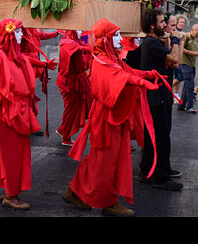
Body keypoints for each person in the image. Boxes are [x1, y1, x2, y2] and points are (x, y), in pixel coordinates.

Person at [63, 19, 162, 216]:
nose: (120, 38)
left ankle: (76, 191)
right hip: (107, 119)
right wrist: (135, 80)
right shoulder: (101, 60)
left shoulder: (111, 58)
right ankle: (106, 201)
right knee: (106, 161)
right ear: (105, 39)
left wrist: (145, 75)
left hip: (115, 116)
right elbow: (115, 78)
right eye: (115, 35)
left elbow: (125, 71)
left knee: (104, 159)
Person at [0, 18, 57, 211]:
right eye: (19, 32)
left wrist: (43, 65)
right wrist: (4, 95)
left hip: (17, 110)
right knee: (13, 153)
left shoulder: (13, 53)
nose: (23, 35)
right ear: (10, 34)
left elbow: (25, 60)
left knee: (1, 151)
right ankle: (11, 195)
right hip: (7, 112)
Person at [138, 9, 182, 191]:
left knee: (153, 136)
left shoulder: (151, 42)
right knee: (162, 136)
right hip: (156, 96)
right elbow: (175, 60)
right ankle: (162, 178)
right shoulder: (151, 43)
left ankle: (146, 171)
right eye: (162, 22)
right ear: (152, 25)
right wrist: (179, 40)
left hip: (156, 94)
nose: (165, 25)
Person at [55, 30, 93, 146]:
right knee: (71, 109)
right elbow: (80, 48)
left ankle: (63, 130)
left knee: (77, 107)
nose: (81, 31)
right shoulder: (67, 41)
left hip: (78, 79)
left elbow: (84, 46)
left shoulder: (76, 39)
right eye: (79, 28)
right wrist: (96, 49)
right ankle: (66, 137)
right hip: (69, 82)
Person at [179, 23, 198, 113]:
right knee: (190, 85)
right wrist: (195, 54)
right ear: (192, 30)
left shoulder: (195, 39)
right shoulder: (186, 36)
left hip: (192, 64)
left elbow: (195, 50)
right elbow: (181, 49)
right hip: (185, 63)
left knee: (186, 85)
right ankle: (190, 106)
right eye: (197, 33)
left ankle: (182, 105)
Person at [171, 14, 187, 98]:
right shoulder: (174, 31)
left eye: (184, 22)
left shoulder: (183, 32)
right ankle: (169, 89)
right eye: (181, 22)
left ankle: (176, 94)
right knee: (179, 76)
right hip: (174, 56)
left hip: (180, 57)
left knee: (178, 77)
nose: (182, 24)